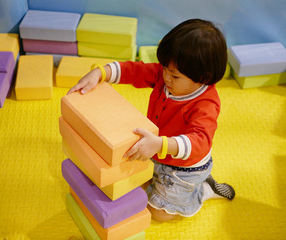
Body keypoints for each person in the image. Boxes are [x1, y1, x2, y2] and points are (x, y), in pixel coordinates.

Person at [67, 19, 235, 222]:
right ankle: (169, 180)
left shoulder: (205, 104)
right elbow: (134, 71)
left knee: (157, 214)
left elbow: (199, 142)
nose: (166, 77)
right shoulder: (167, 75)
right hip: (157, 149)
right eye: (164, 69)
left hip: (183, 168)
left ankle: (202, 191)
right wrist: (101, 73)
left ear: (204, 77)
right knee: (134, 184)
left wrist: (159, 144)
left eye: (174, 75)